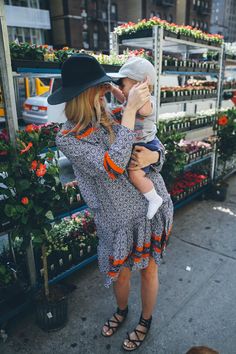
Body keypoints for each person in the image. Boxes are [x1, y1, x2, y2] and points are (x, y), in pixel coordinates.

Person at [48, 53, 173, 351]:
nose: (108, 94)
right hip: (116, 220)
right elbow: (114, 164)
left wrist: (156, 156)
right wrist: (127, 112)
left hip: (149, 208)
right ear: (85, 95)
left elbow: (154, 144)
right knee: (121, 274)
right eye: (101, 90)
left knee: (149, 269)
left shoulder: (114, 116)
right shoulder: (68, 137)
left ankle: (145, 320)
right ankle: (122, 311)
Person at [110, 56, 163, 219]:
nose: (120, 88)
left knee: (135, 174)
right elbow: (124, 98)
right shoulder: (130, 99)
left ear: (139, 86)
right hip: (137, 144)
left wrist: (142, 92)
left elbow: (144, 111)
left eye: (122, 84)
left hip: (147, 145)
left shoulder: (147, 102)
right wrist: (113, 90)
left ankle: (154, 198)